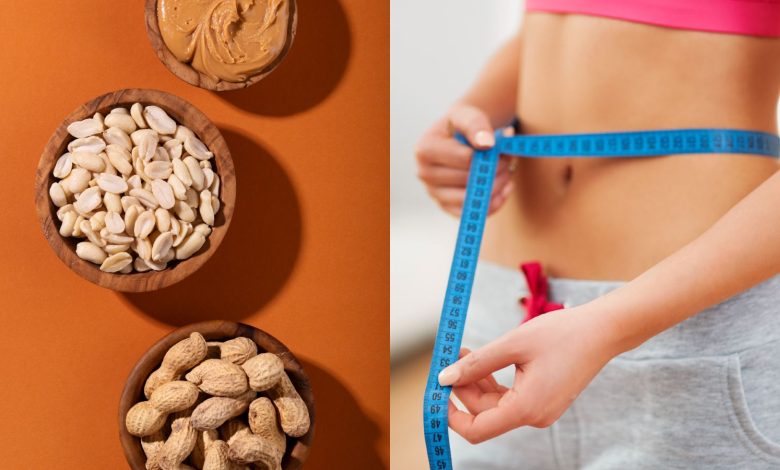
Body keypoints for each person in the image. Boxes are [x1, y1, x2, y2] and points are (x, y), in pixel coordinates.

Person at [415, 2, 780, 468]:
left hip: (686, 331)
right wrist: (475, 113)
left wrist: (607, 325)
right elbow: (556, 25)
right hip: (502, 311)